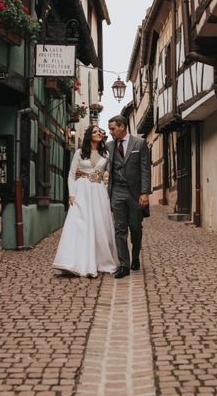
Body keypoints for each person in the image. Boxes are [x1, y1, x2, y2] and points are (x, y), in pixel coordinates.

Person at [52, 125, 119, 277]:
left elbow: (112, 172)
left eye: (100, 132)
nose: (99, 133)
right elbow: (70, 174)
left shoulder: (106, 153)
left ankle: (100, 260)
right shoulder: (80, 153)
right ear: (89, 135)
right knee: (80, 224)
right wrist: (71, 194)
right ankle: (74, 261)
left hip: (99, 191)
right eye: (95, 132)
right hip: (81, 191)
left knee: (99, 224)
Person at [105, 115, 152, 279]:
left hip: (135, 193)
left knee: (135, 228)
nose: (110, 132)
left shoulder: (139, 143)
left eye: (112, 128)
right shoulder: (109, 146)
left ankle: (136, 256)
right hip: (117, 192)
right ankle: (124, 265)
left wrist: (145, 192)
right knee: (119, 229)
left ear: (122, 127)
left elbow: (145, 169)